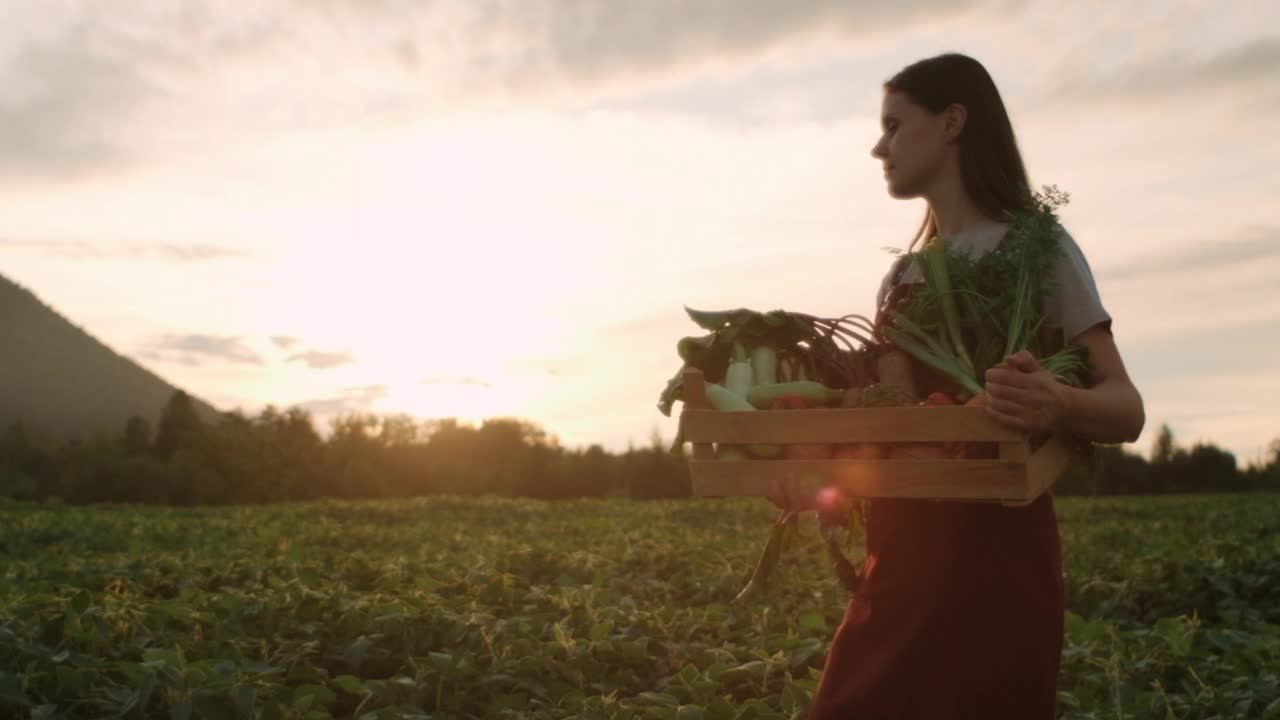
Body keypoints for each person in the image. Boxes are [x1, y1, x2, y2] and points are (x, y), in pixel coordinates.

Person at [795, 53, 1147, 719]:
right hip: (899, 567)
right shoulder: (901, 280)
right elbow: (887, 436)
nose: (879, 146)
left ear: (953, 121)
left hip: (1000, 573)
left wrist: (1059, 401)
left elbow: (1126, 408)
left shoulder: (1039, 250)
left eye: (894, 125)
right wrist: (816, 481)